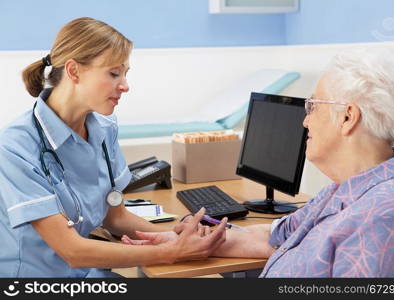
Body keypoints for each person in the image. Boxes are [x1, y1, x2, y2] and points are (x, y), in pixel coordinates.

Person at [126, 48, 394, 277]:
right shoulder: (340, 193)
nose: (304, 121)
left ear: (347, 117)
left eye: (312, 106)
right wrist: (177, 244)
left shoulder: (383, 220)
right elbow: (273, 238)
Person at [0, 17, 227, 278]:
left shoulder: (103, 128)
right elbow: (72, 251)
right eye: (113, 73)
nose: (125, 86)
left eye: (125, 74)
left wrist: (176, 234)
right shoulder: (15, 146)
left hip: (87, 274)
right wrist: (173, 251)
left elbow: (115, 218)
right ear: (74, 71)